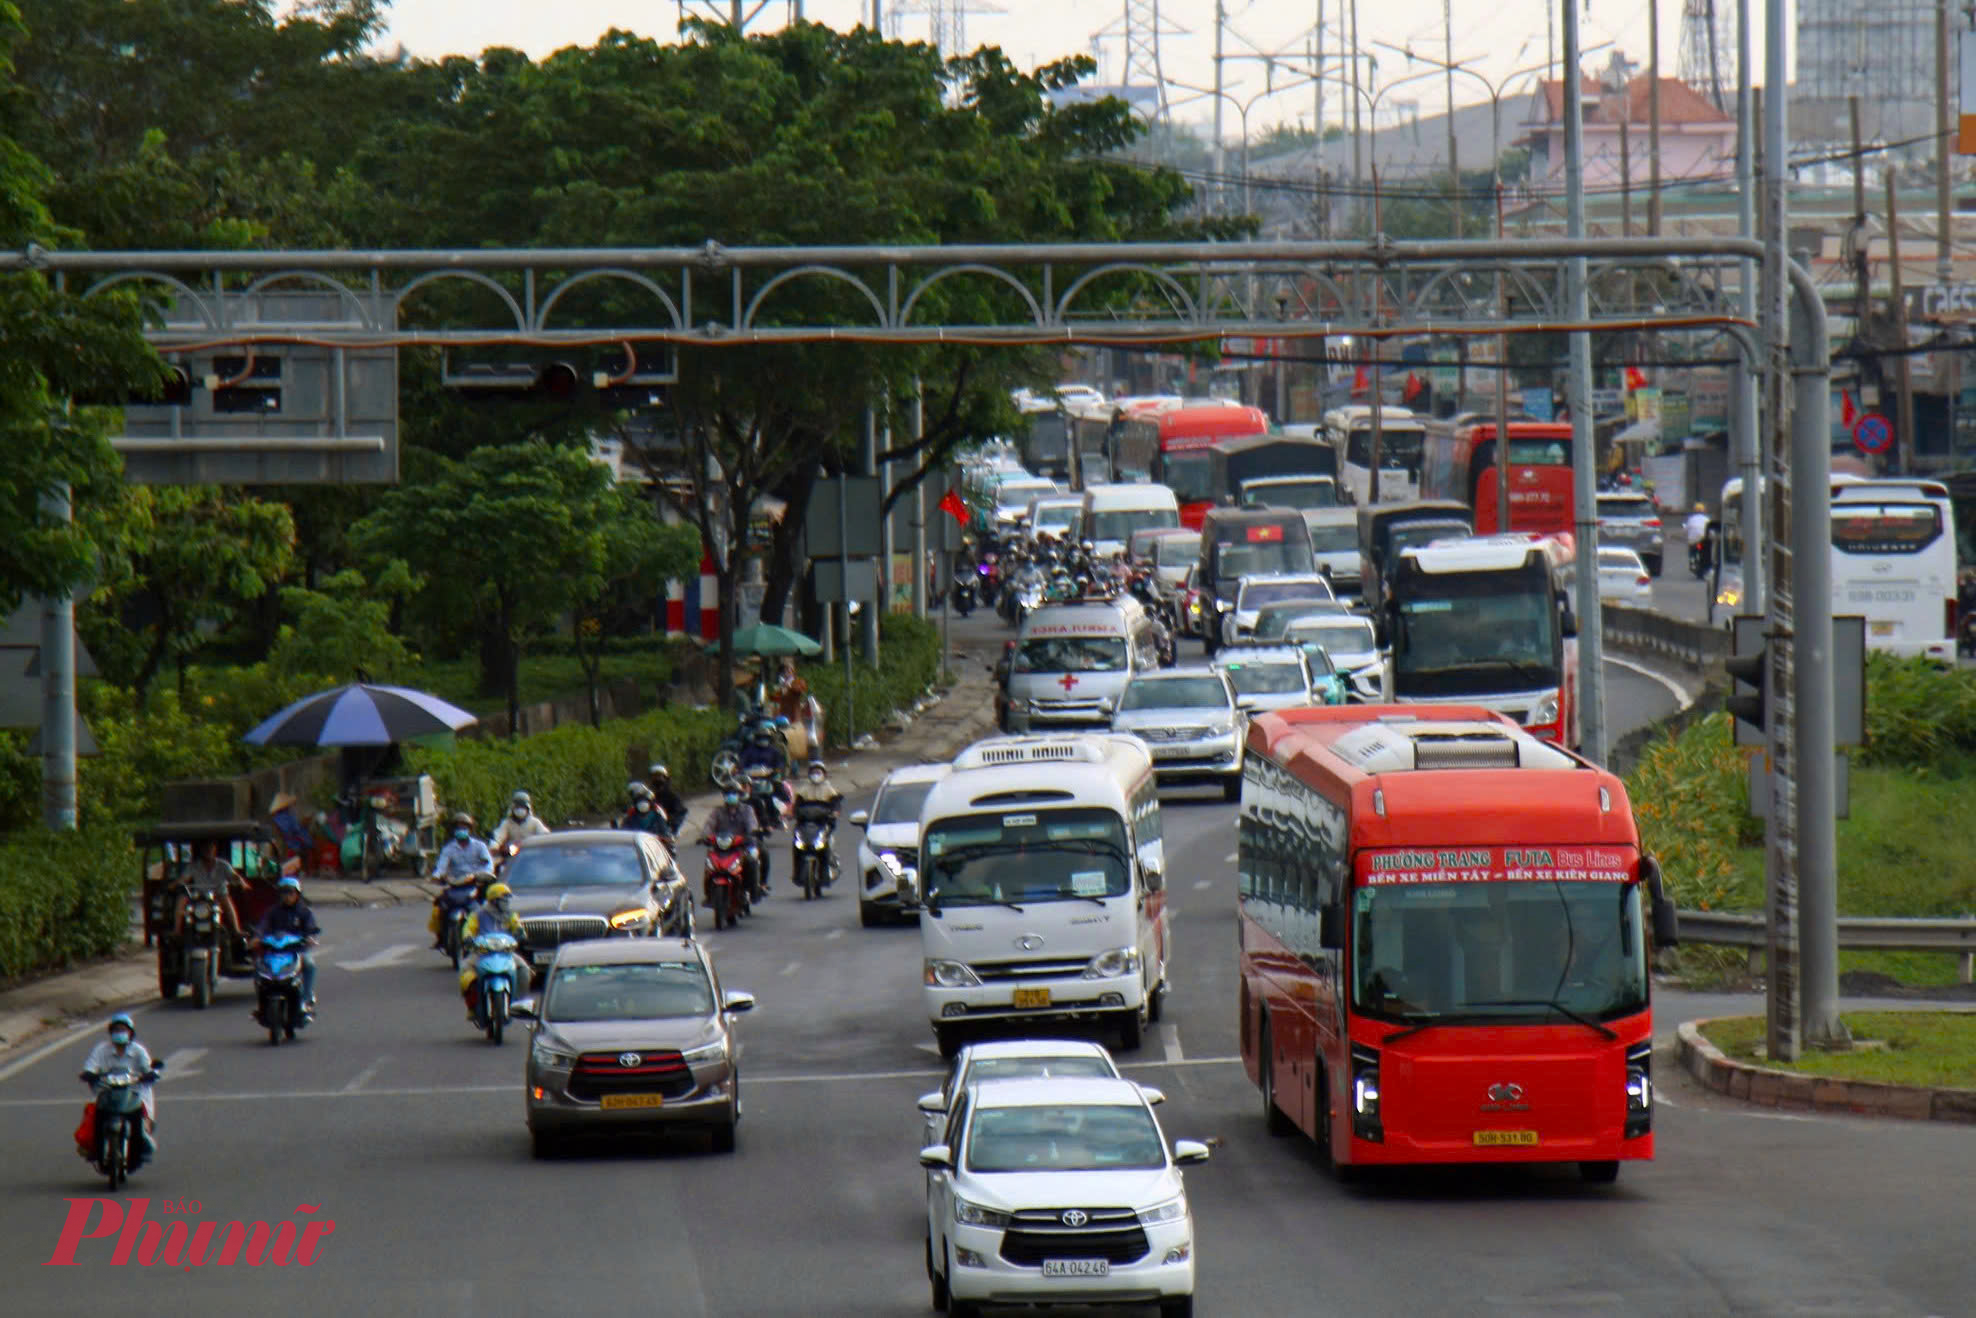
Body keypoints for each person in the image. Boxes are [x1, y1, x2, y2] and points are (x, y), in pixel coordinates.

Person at [78, 1013, 161, 1165]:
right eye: (116, 1030)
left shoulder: (138, 1051)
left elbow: (148, 1068)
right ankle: (93, 1146)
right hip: (107, 1091)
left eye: (123, 1029)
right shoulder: (101, 1050)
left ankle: (143, 1145)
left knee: (144, 1118)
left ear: (130, 1033)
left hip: (135, 1091)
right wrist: (89, 1074)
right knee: (93, 1113)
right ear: (111, 1033)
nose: (120, 1033)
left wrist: (150, 1074)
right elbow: (90, 1066)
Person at [457, 881, 526, 1024]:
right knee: (465, 971)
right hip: (482, 952)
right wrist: (468, 938)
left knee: (524, 969)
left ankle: (518, 1003)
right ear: (494, 901)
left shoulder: (510, 914)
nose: (507, 902)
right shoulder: (478, 914)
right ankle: (471, 1007)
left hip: (505, 952)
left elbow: (517, 925)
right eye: (503, 899)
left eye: (508, 899)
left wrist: (520, 931)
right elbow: (468, 928)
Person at [252, 875, 321, 1013]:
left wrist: (309, 938)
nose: (287, 896)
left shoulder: (304, 912)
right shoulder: (272, 911)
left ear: (297, 894)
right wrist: (257, 938)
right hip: (275, 951)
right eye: (284, 892)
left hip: (296, 951)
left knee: (309, 964)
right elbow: (263, 926)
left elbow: (311, 928)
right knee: (258, 966)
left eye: (291, 892)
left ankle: (306, 997)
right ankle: (261, 1001)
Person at [426, 813, 494, 949]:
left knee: (488, 906)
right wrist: (437, 875)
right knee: (440, 906)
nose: (461, 830)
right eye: (458, 828)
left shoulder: (479, 846)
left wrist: (483, 874)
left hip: (475, 883)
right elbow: (441, 866)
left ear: (470, 829)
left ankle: (488, 935)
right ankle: (441, 937)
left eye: (464, 827)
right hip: (455, 885)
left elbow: (489, 865)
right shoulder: (449, 848)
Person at [172, 839, 244, 937]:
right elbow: (183, 879)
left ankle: (236, 930)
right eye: (205, 849)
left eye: (210, 848)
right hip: (199, 896)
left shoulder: (223, 865)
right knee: (181, 899)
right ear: (201, 851)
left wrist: (241, 882)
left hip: (218, 895)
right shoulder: (194, 865)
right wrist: (174, 885)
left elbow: (234, 876)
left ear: (215, 850)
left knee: (226, 900)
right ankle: (177, 930)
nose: (208, 851)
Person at [705, 785, 764, 902]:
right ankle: (709, 894)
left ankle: (752, 890)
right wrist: (705, 836)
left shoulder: (747, 810)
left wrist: (752, 833)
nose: (730, 796)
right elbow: (709, 825)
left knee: (752, 860)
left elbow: (752, 824)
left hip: (742, 846)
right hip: (722, 846)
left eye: (733, 793)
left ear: (738, 795)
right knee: (709, 864)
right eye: (728, 793)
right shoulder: (718, 812)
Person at [646, 763, 689, 835]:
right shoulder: (647, 795)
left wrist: (672, 822)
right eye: (654, 776)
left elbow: (680, 812)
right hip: (648, 828)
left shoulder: (672, 796)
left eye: (659, 776)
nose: (657, 779)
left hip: (666, 830)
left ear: (665, 778)